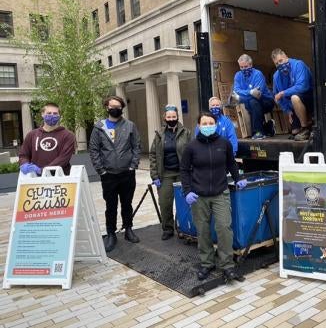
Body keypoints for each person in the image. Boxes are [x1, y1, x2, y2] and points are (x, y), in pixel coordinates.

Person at [180, 112, 247, 281]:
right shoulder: (191, 147)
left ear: (216, 125)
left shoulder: (224, 144)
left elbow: (231, 163)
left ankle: (227, 265)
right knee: (202, 230)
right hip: (198, 196)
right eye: (205, 123)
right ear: (199, 126)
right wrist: (187, 191)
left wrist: (238, 178)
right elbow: (184, 170)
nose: (208, 125)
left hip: (220, 193)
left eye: (211, 123)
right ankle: (207, 263)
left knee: (224, 228)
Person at [89, 95, 141, 252]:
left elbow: (136, 146)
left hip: (127, 173)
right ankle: (111, 233)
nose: (115, 109)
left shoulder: (130, 126)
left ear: (122, 108)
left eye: (118, 107)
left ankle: (128, 229)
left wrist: (133, 165)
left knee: (127, 204)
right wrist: (101, 171)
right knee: (110, 206)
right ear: (107, 107)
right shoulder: (99, 127)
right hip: (109, 175)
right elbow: (94, 150)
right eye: (112, 106)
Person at [149, 104, 191, 240]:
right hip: (165, 174)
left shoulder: (186, 132)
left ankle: (184, 227)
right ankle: (167, 228)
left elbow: (193, 152)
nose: (171, 118)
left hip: (182, 173)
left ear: (177, 117)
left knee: (184, 203)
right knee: (165, 203)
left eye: (174, 116)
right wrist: (154, 175)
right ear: (164, 118)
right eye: (169, 117)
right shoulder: (159, 134)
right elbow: (153, 155)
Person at [19, 102, 75, 176]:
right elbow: (23, 155)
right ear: (42, 114)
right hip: (35, 179)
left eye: (55, 113)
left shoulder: (68, 135)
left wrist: (42, 170)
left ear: (59, 116)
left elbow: (63, 159)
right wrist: (24, 164)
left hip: (61, 179)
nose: (52, 115)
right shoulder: (32, 135)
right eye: (49, 113)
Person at [271, 48, 313, 141]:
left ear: (286, 56)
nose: (280, 64)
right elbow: (278, 97)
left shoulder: (298, 65)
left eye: (281, 60)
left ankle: (305, 128)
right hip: (294, 106)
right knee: (294, 132)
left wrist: (283, 93)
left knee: (294, 97)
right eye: (277, 63)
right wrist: (288, 111)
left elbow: (303, 86)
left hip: (309, 99)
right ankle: (302, 127)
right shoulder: (276, 76)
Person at [233, 54, 275, 139]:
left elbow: (258, 94)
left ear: (251, 65)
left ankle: (258, 132)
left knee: (253, 101)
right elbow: (236, 90)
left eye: (246, 66)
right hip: (251, 102)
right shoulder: (238, 75)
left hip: (266, 101)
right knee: (251, 102)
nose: (244, 69)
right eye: (241, 67)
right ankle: (267, 127)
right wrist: (250, 92)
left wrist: (241, 98)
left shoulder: (258, 74)